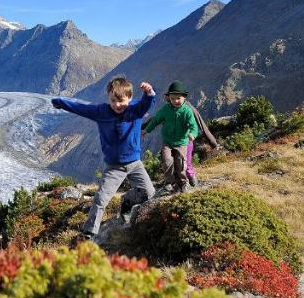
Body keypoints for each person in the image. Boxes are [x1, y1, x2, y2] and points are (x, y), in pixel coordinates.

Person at [51, 76, 156, 243]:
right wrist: (61, 102)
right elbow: (81, 108)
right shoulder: (102, 112)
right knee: (101, 198)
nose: (117, 104)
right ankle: (89, 233)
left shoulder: (135, 109)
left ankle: (127, 202)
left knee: (149, 193)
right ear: (109, 98)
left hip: (135, 164)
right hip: (114, 166)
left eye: (121, 100)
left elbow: (148, 103)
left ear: (129, 98)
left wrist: (149, 93)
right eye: (113, 100)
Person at [141, 81, 200, 193]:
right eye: (173, 98)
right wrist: (146, 130)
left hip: (182, 142)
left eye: (178, 98)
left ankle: (183, 183)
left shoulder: (187, 111)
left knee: (181, 163)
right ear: (169, 98)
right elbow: (155, 120)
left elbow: (193, 125)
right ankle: (169, 182)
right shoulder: (165, 109)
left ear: (184, 98)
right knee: (167, 160)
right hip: (167, 142)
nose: (175, 101)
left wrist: (193, 134)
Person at [184, 102, 219, 187]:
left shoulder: (188, 107)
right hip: (171, 141)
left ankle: (191, 179)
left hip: (186, 140)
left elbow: (201, 123)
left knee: (187, 162)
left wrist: (212, 142)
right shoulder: (168, 108)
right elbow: (157, 118)